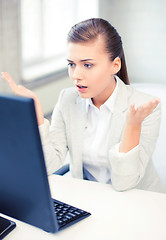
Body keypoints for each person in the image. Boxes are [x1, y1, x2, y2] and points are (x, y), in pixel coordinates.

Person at [1, 18, 165, 193]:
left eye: (87, 65)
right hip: (88, 198)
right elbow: (49, 164)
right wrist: (38, 116)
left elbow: (125, 184)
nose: (76, 76)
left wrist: (132, 125)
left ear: (115, 65)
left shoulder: (145, 108)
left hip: (138, 202)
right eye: (71, 64)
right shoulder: (67, 99)